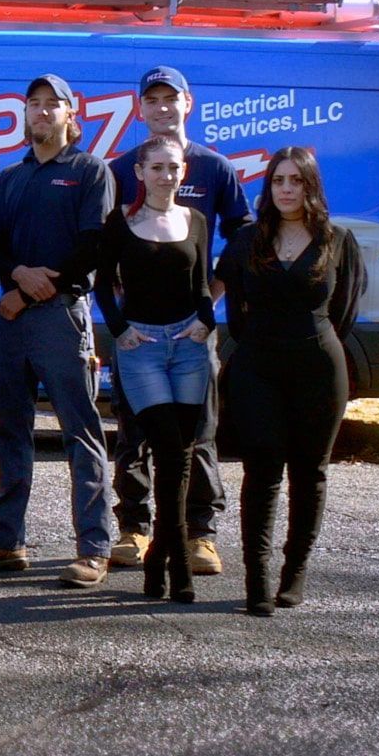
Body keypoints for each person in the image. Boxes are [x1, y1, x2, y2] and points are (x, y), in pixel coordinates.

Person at [107, 66, 250, 575]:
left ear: (188, 104)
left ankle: (200, 534)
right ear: (139, 108)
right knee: (133, 431)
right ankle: (134, 529)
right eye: (153, 100)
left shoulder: (214, 168)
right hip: (138, 329)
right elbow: (105, 246)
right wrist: (121, 304)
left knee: (198, 432)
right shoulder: (122, 169)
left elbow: (244, 238)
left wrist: (211, 302)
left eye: (172, 99)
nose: (163, 108)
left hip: (192, 330)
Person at [0, 74, 116, 588]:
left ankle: (94, 546)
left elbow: (91, 245)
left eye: (50, 104)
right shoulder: (11, 177)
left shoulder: (89, 171)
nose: (40, 112)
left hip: (61, 314)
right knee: (9, 429)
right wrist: (16, 276)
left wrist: (32, 287)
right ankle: (6, 539)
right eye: (32, 104)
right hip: (12, 320)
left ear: (69, 112)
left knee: (81, 432)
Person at [217, 147, 365, 616]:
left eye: (296, 181)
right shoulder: (246, 240)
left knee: (310, 471)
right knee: (261, 470)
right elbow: (234, 311)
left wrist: (311, 341)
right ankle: (257, 581)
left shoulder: (339, 240)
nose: (285, 189)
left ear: (311, 187)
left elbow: (344, 312)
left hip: (319, 368)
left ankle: (294, 573)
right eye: (278, 180)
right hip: (257, 367)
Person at [96, 136, 214, 602]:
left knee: (180, 454)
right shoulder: (120, 222)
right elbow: (103, 287)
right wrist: (120, 330)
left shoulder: (197, 221)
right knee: (164, 443)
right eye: (157, 167)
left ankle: (161, 557)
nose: (166, 175)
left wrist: (205, 322)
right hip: (141, 347)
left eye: (174, 167)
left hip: (188, 347)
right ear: (140, 173)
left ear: (183, 172)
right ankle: (176, 560)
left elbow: (202, 284)